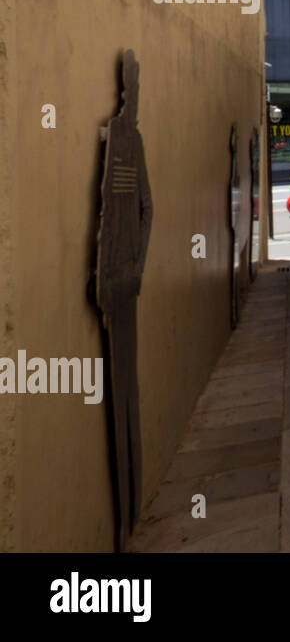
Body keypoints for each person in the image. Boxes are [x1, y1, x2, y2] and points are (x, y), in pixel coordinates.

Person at [94, 49, 152, 551]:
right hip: (116, 282)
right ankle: (126, 518)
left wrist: (135, 267)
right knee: (121, 393)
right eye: (131, 84)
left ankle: (130, 512)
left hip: (122, 281)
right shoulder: (117, 136)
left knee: (126, 390)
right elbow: (111, 216)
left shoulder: (127, 139)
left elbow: (143, 209)